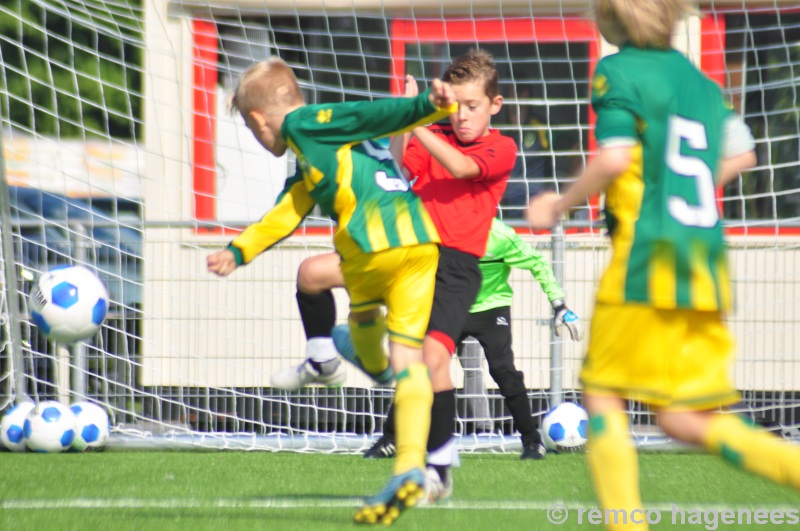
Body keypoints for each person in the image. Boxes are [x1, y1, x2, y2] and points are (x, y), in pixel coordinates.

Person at [528, 1, 800, 529]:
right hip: (703, 266)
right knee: (682, 417)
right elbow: (743, 153)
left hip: (645, 261)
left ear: (606, 21)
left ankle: (625, 524)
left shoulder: (617, 71)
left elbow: (614, 157)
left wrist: (556, 206)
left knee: (604, 396)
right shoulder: (699, 82)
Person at [206, 57, 457, 526]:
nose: (257, 139)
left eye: (249, 126)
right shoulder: (313, 157)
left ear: (259, 119)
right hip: (420, 246)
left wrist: (424, 104)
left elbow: (369, 114)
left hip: (371, 251)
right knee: (403, 359)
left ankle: (350, 361)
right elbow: (284, 214)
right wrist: (239, 251)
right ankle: (408, 470)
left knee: (366, 344)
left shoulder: (306, 123)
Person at [335, 49, 517, 503]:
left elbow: (459, 167)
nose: (461, 117)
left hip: (457, 267)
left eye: (472, 106)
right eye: (454, 107)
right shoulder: (435, 132)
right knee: (319, 274)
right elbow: (400, 161)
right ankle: (345, 343)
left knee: (432, 358)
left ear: (494, 105)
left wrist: (418, 121)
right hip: (413, 255)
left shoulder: (500, 146)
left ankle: (437, 465)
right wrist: (407, 118)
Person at [364, 217, 584, 460]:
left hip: (491, 309)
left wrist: (559, 305)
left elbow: (537, 262)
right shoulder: (437, 230)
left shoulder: (500, 235)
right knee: (420, 369)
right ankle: (391, 439)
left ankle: (532, 441)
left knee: (503, 370)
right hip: (450, 307)